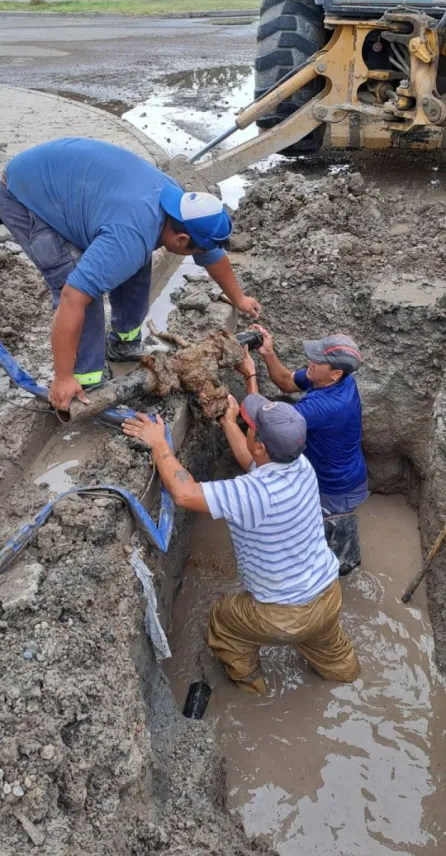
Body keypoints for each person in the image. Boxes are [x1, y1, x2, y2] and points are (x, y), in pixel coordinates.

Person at [0, 138, 260, 412]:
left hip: (68, 180)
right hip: (23, 192)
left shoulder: (176, 204)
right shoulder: (131, 234)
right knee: (76, 280)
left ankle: (123, 344)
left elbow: (211, 253)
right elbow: (72, 298)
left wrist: (239, 298)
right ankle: (83, 381)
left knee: (134, 262)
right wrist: (62, 377)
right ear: (182, 239)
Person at [122, 396, 360, 696]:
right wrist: (229, 423)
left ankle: (253, 691)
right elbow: (253, 461)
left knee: (223, 621)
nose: (248, 428)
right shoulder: (301, 466)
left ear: (260, 444)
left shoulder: (252, 493)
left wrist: (159, 443)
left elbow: (184, 493)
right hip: (327, 594)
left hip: (283, 615)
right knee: (331, 648)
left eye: (251, 427)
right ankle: (349, 678)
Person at [239, 329, 368, 574]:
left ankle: (335, 576)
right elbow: (287, 381)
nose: (311, 362)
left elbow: (264, 422)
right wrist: (268, 354)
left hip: (335, 489)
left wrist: (250, 375)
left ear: (335, 373)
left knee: (327, 552)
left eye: (318, 361)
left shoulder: (325, 406)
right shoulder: (337, 379)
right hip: (342, 475)